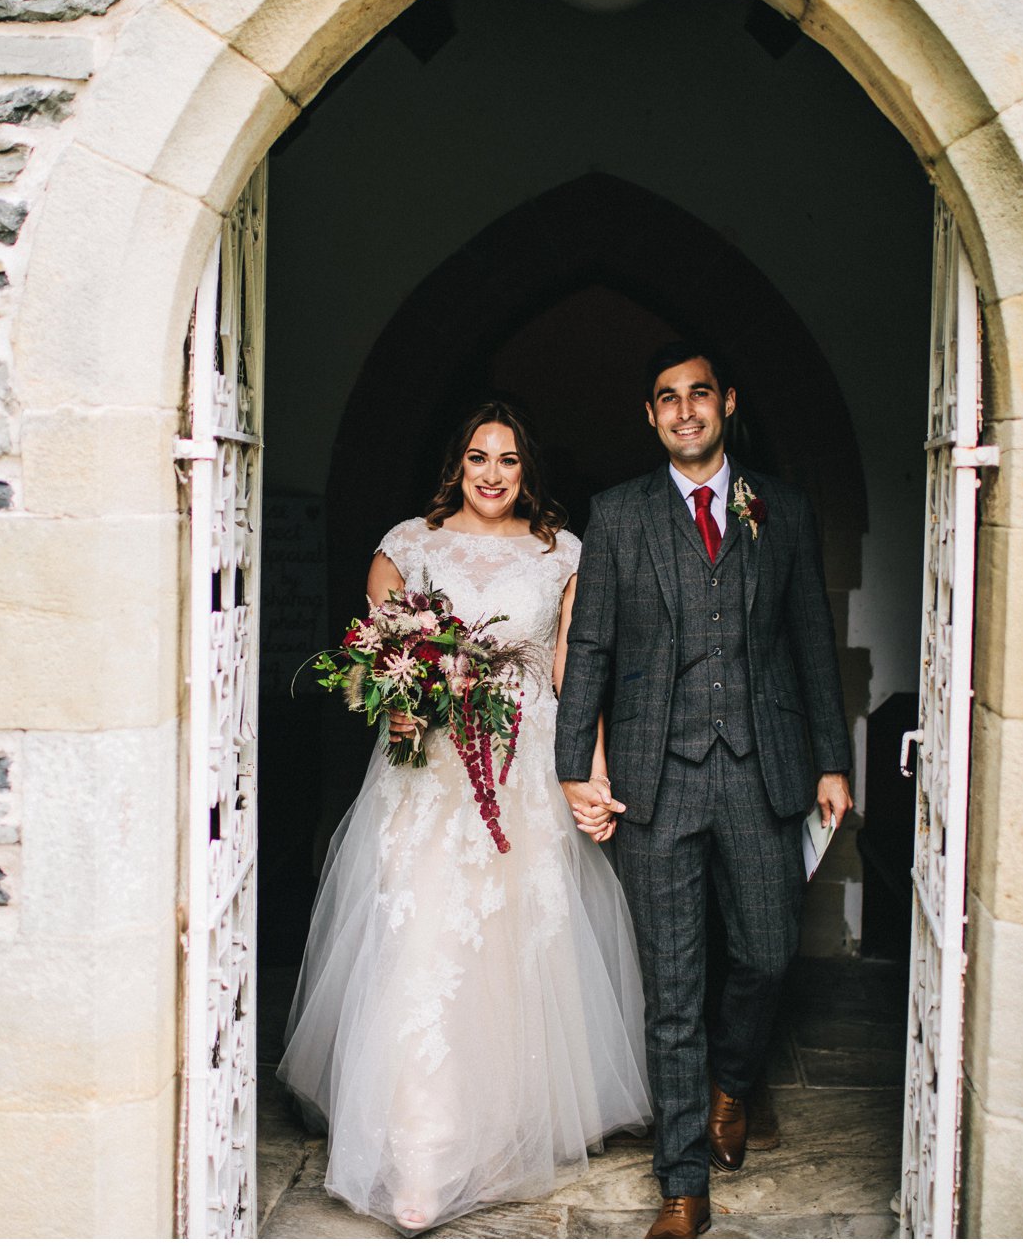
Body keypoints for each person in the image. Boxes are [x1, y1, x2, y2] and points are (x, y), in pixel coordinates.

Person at [280, 401, 652, 1234]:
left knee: (511, 948)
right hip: (429, 776)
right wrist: (399, 707)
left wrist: (586, 773)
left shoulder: (562, 553)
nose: (492, 473)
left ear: (528, 471)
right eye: (479, 457)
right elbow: (373, 664)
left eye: (510, 461)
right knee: (423, 944)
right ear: (456, 464)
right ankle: (419, 1154)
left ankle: (496, 1132)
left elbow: (570, 672)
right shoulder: (406, 544)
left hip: (522, 762)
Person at [555, 341, 854, 1239]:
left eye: (698, 394)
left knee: (767, 954)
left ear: (725, 402)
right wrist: (577, 762)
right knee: (673, 985)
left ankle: (733, 1080)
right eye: (665, 399)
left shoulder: (783, 510)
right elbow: (595, 647)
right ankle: (681, 1180)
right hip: (655, 776)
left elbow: (811, 640)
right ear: (651, 417)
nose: (684, 410)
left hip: (762, 768)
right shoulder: (618, 514)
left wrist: (832, 759)